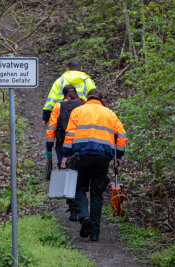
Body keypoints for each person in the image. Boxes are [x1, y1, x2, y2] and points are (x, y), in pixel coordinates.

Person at [61, 89, 127, 241]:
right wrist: (119, 155)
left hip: (81, 156)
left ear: (88, 98)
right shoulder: (109, 113)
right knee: (97, 194)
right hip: (103, 157)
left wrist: (65, 154)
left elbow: (69, 134)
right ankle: (95, 233)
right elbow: (122, 135)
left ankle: (84, 217)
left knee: (79, 188)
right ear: (100, 99)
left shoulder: (77, 111)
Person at [45, 84, 85, 221]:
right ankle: (82, 207)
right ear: (75, 93)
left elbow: (51, 128)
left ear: (64, 94)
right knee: (80, 175)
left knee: (67, 175)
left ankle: (72, 209)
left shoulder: (58, 106)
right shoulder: (82, 105)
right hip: (80, 145)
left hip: (63, 145)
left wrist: (49, 146)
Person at [42, 60, 96, 129]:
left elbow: (51, 100)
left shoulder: (60, 81)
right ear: (81, 69)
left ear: (67, 69)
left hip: (62, 114)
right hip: (82, 115)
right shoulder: (87, 81)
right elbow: (94, 98)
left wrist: (45, 117)